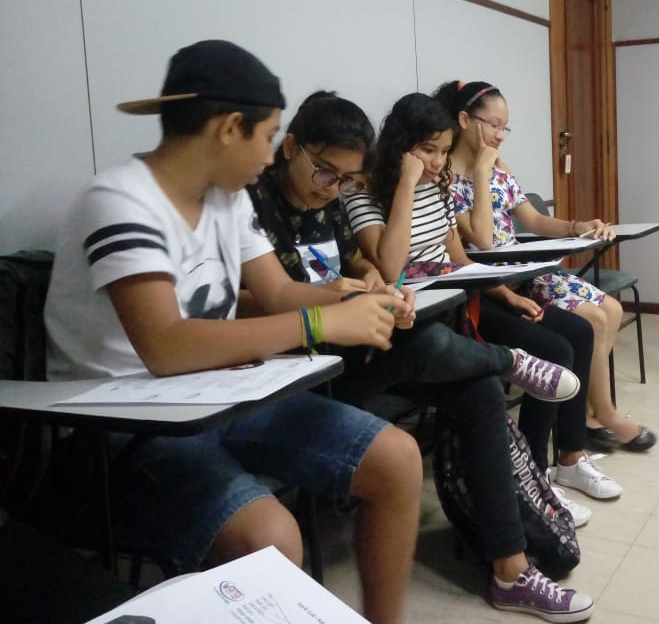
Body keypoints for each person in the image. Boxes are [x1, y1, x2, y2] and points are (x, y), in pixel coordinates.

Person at [43, 40, 422, 624]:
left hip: (221, 400)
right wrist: (321, 321)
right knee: (271, 537)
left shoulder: (227, 201)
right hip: (122, 431)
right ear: (227, 128)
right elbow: (165, 346)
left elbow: (278, 293)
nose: (270, 156)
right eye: (267, 136)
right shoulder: (119, 200)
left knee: (396, 458)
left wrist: (363, 299)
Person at [249, 91, 594, 622]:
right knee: (434, 343)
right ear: (290, 147)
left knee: (477, 389)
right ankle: (508, 361)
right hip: (305, 371)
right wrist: (349, 293)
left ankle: (511, 570)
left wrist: (374, 287)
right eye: (326, 173)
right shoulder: (256, 207)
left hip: (359, 347)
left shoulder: (331, 200)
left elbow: (365, 265)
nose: (334, 187)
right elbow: (263, 298)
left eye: (344, 179)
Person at [343, 93, 624, 504]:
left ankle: (564, 460)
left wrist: (506, 294)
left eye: (443, 151)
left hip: (463, 302)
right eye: (427, 151)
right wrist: (405, 185)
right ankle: (531, 477)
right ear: (401, 147)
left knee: (576, 335)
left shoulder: (435, 187)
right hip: (420, 317)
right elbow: (389, 265)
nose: (436, 163)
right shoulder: (364, 192)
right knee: (553, 349)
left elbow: (459, 258)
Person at [437, 80, 657, 456]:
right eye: (493, 125)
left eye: (504, 127)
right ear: (464, 120)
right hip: (498, 278)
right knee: (593, 319)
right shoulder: (446, 178)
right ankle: (598, 414)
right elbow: (483, 240)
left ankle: (588, 412)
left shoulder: (499, 168)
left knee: (612, 309)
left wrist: (577, 226)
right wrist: (480, 173)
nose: (500, 135)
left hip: (527, 267)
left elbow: (534, 220)